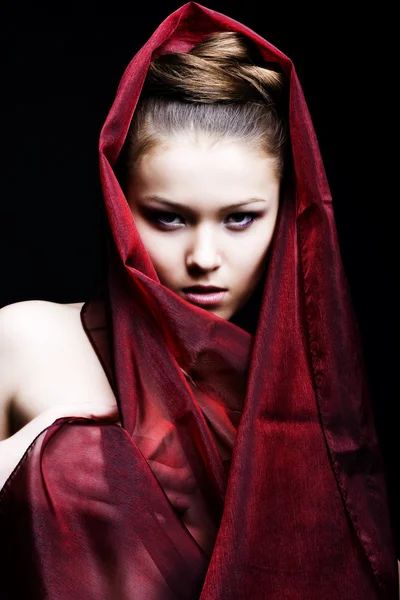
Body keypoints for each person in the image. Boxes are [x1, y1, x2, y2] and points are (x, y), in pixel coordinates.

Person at [0, 2, 398, 599]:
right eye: (167, 218)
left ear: (287, 217)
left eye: (240, 218)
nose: (204, 256)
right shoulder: (25, 341)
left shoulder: (321, 407)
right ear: (121, 207)